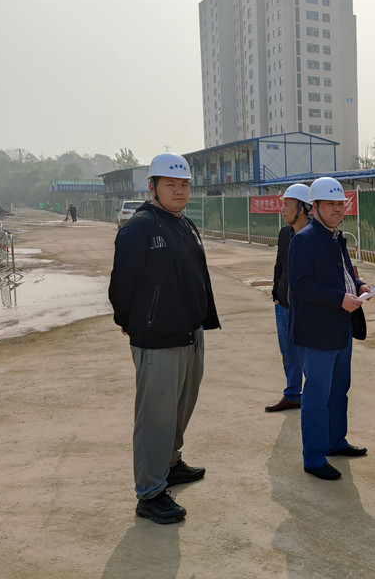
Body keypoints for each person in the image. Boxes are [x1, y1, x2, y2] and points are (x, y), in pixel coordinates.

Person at [108, 152, 220, 524]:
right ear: (153, 187)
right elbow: (121, 286)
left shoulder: (184, 224)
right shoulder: (140, 228)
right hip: (158, 339)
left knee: (180, 408)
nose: (179, 190)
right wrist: (131, 322)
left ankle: (170, 463)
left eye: (184, 184)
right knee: (155, 416)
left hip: (190, 333)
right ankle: (150, 492)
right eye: (170, 184)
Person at [287, 176, 371, 481]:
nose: (337, 209)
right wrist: (339, 299)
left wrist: (359, 285)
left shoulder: (336, 238)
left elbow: (343, 274)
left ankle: (336, 441)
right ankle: (313, 457)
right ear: (315, 206)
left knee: (339, 389)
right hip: (317, 333)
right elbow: (300, 284)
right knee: (317, 395)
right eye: (330, 204)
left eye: (340, 204)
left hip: (341, 327)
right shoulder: (305, 240)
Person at [267, 183, 311, 413]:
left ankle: (312, 397)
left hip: (306, 309)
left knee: (309, 355)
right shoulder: (285, 234)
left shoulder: (315, 235)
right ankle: (293, 394)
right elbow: (279, 265)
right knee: (288, 353)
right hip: (284, 305)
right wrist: (276, 294)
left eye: (287, 205)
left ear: (301, 208)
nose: (282, 209)